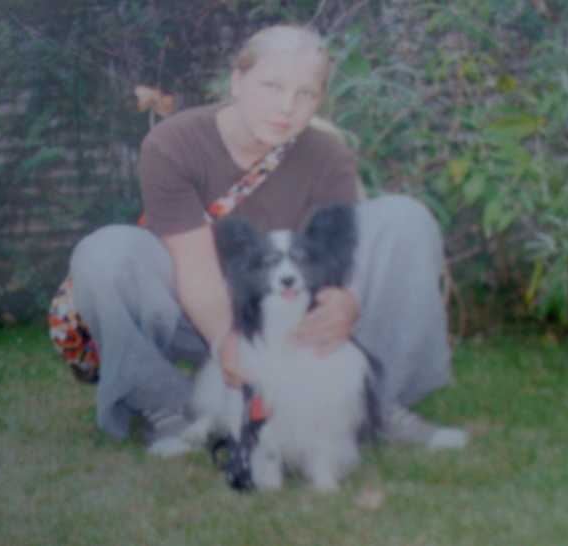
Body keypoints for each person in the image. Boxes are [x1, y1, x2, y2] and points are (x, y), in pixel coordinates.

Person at [67, 24, 468, 450]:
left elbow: (336, 257)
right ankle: (168, 406)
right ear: (237, 82)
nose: (286, 107)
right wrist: (228, 343)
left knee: (406, 218)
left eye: (305, 94)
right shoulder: (172, 143)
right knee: (104, 253)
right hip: (198, 313)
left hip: (290, 317)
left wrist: (345, 302)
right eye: (272, 86)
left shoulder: (327, 153)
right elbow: (194, 268)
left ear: (319, 99)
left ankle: (376, 403)